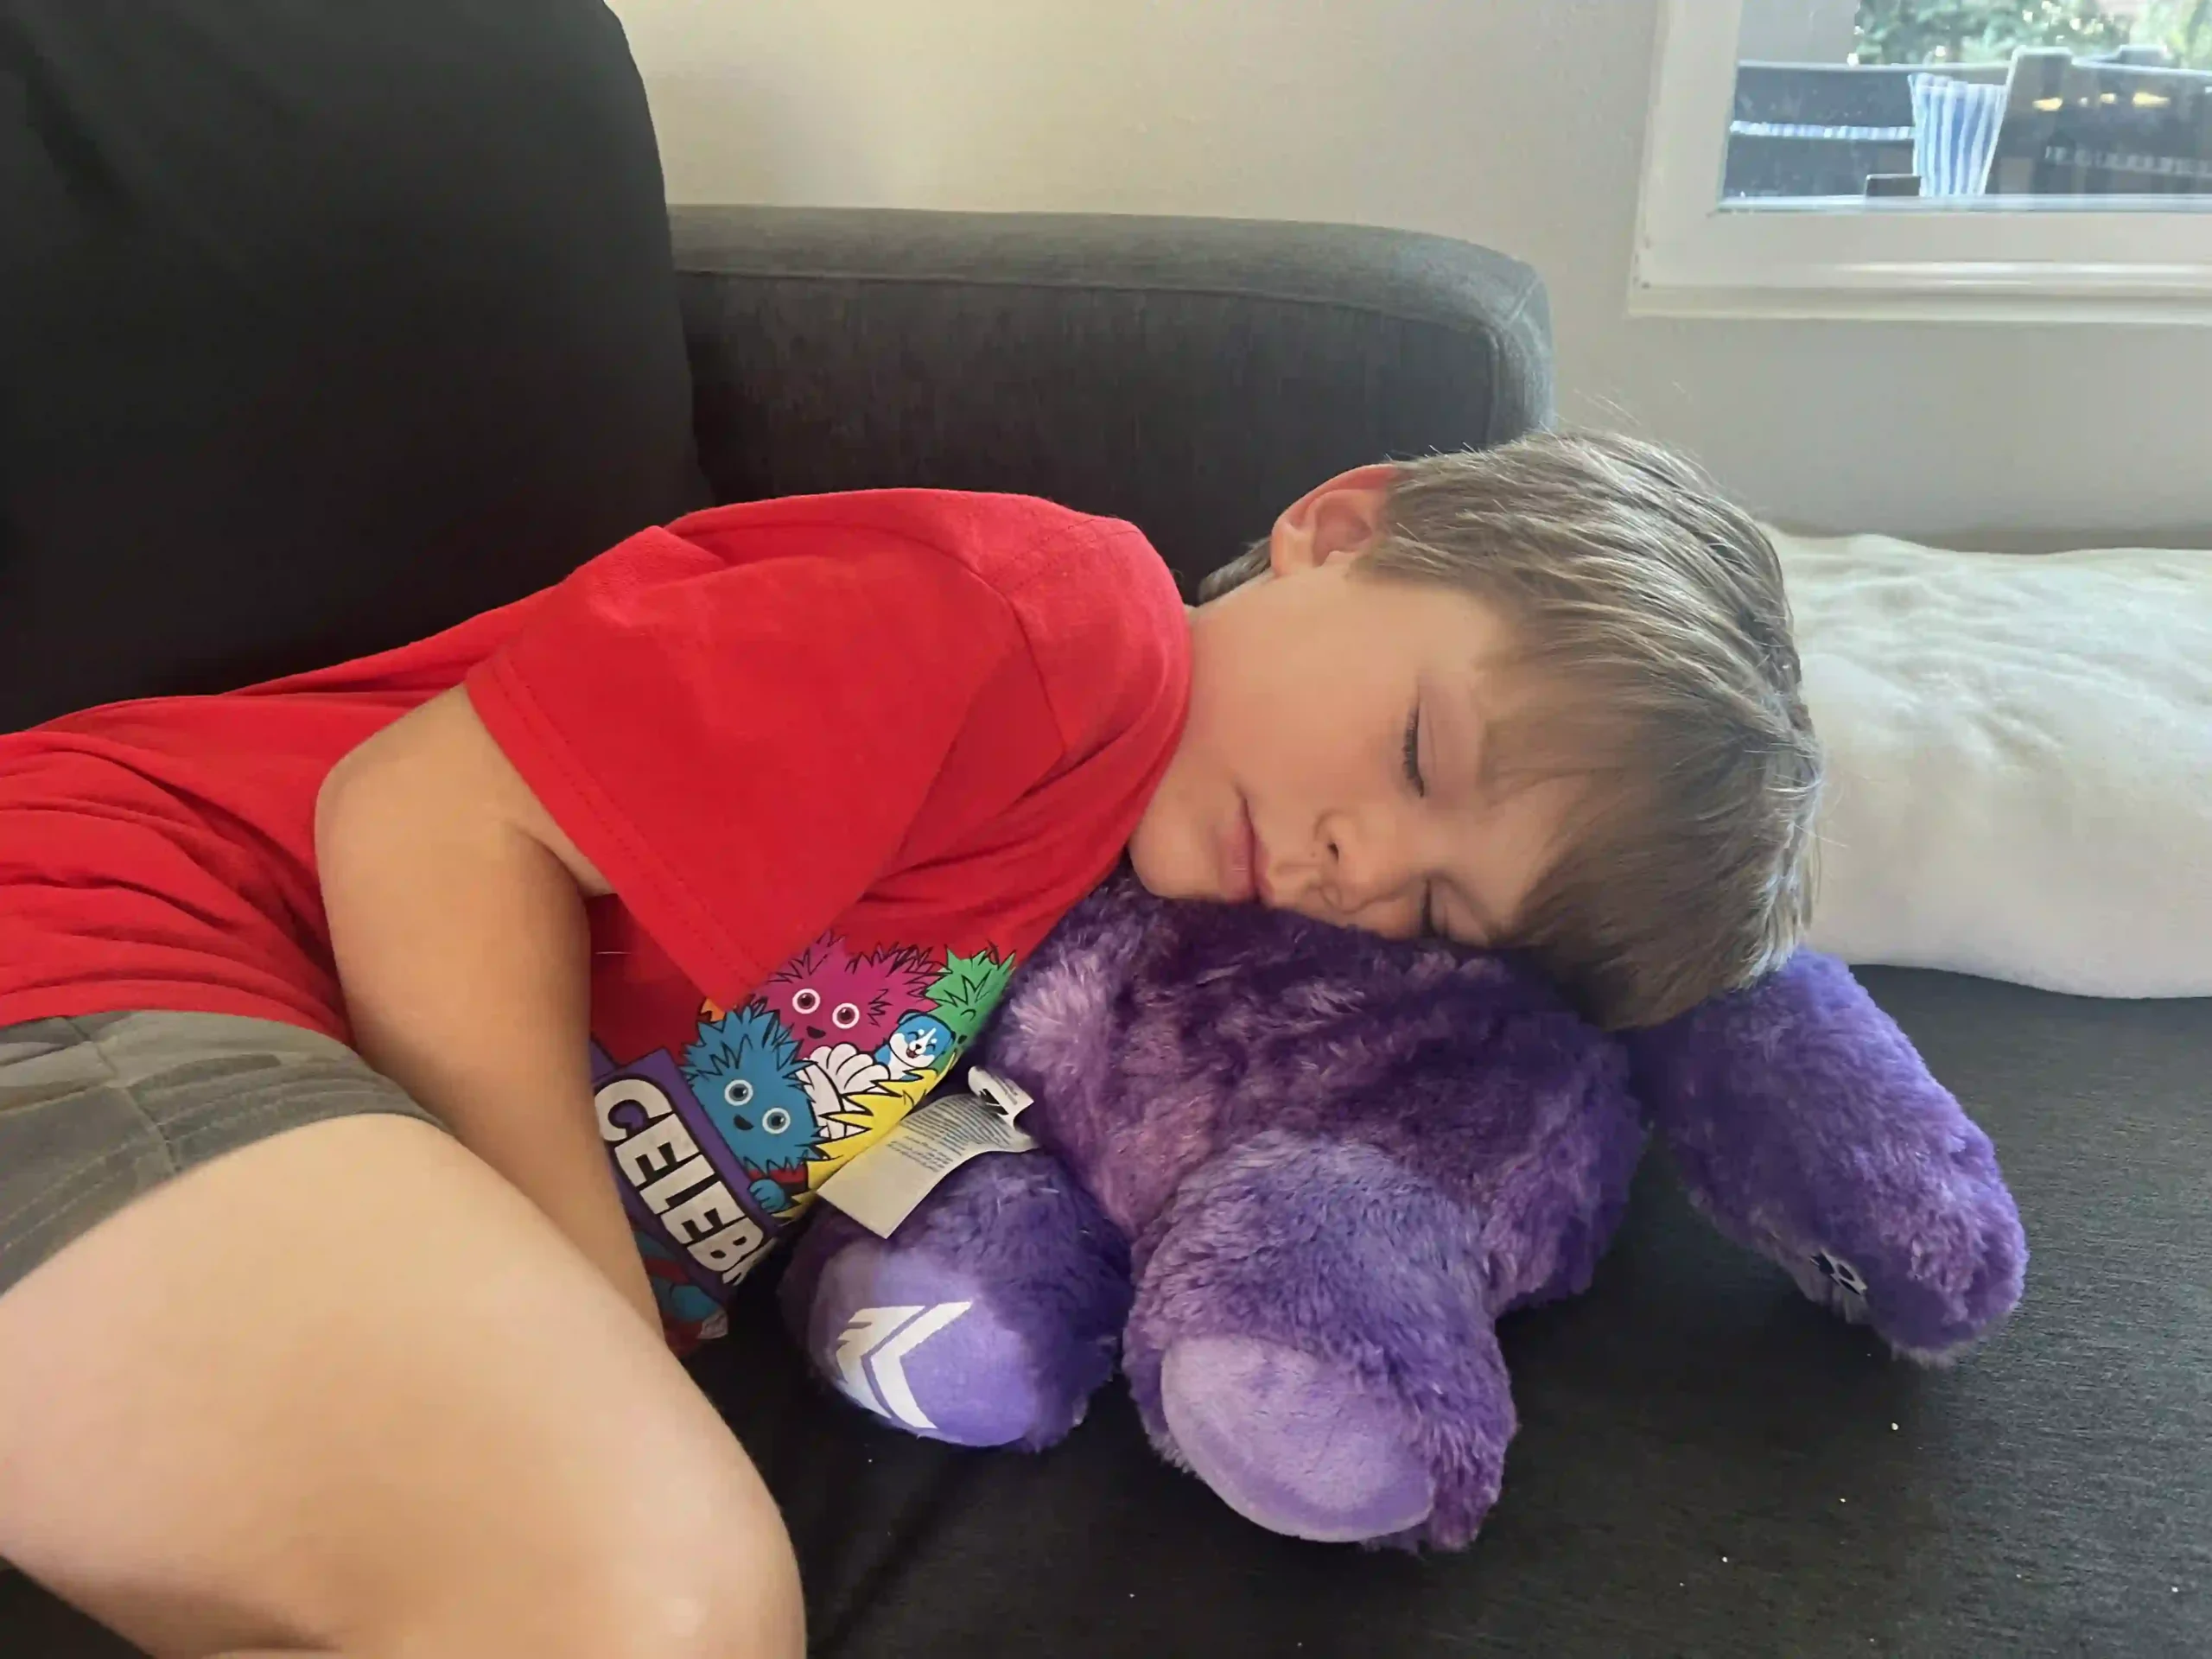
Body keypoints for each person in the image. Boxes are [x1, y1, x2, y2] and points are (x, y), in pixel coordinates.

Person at [0, 421, 1820, 1659]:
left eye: (1437, 914)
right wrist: (609, 1338)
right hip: (103, 946)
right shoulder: (1055, 631)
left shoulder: (1126, 939)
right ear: (1337, 525)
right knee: (662, 1588)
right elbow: (417, 817)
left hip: (247, 1122)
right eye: (1423, 758)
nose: (1363, 866)